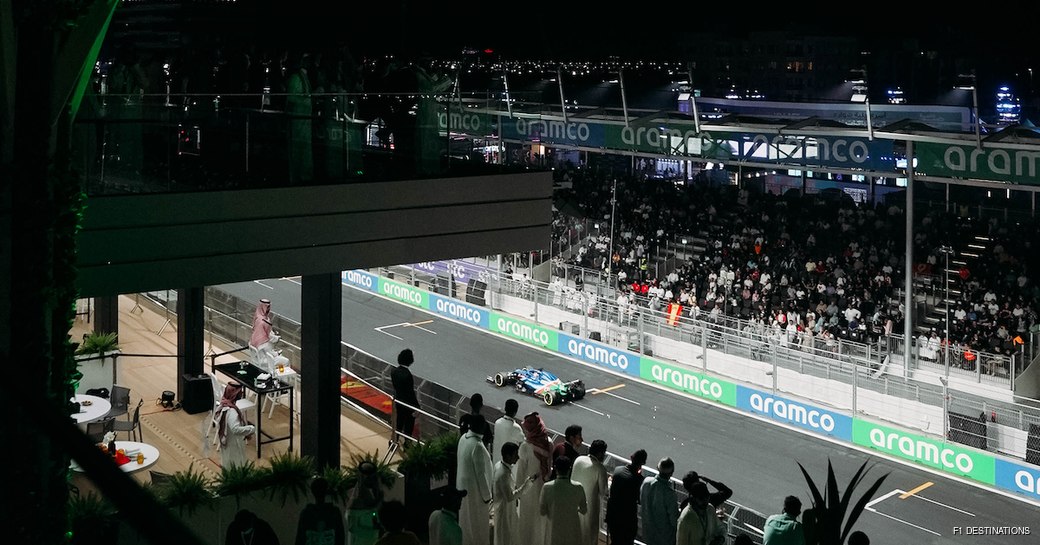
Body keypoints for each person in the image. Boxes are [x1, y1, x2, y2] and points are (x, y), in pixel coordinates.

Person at [456, 415, 493, 545]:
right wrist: (487, 496)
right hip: (476, 494)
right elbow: (481, 474)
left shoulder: (463, 439)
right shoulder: (478, 446)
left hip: (462, 488)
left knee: (465, 522)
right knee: (477, 526)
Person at [516, 412, 552, 545]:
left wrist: (518, 490)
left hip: (528, 488)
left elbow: (520, 471)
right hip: (544, 486)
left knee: (527, 520)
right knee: (541, 519)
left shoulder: (526, 447)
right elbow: (549, 466)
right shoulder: (549, 442)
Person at [493, 442, 535, 545]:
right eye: (515, 454)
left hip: (505, 508)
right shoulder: (503, 474)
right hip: (505, 511)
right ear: (508, 456)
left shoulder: (500, 466)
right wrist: (527, 484)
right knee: (506, 536)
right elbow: (510, 497)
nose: (518, 457)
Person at [540, 456, 587, 545]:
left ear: (555, 469)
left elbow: (542, 511)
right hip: (573, 530)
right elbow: (584, 510)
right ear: (570, 469)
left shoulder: (547, 487)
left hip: (553, 529)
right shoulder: (578, 487)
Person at [605, 449, 647, 545]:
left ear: (631, 458)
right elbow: (640, 500)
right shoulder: (639, 480)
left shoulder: (617, 470)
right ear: (643, 463)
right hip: (628, 519)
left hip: (613, 515)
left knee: (614, 541)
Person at [570, 440, 608, 545]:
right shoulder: (600, 468)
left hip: (574, 503)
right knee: (589, 535)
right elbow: (604, 492)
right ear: (600, 453)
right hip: (590, 508)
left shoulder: (579, 459)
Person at [640, 458, 678, 545]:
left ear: (658, 468)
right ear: (671, 472)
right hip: (665, 539)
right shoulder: (669, 494)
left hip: (647, 535)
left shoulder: (646, 482)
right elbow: (674, 520)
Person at [296, 477, 344, 545]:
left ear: (312, 492)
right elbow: (340, 538)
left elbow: (300, 539)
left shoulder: (306, 513)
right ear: (326, 491)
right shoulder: (334, 513)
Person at [217, 382, 255, 468]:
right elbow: (235, 429)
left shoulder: (223, 405)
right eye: (239, 392)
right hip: (233, 442)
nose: (241, 393)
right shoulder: (232, 412)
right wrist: (251, 429)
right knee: (236, 465)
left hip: (226, 439)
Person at [346, 461, 384, 545]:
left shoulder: (375, 495)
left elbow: (374, 512)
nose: (370, 480)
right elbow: (353, 527)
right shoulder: (356, 500)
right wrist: (374, 532)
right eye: (367, 477)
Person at [249, 298, 289, 372]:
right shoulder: (264, 343)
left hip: (258, 360)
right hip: (265, 362)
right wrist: (277, 353)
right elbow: (269, 354)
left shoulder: (254, 337)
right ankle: (281, 379)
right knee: (285, 361)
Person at [390, 348, 419, 440]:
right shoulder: (407, 375)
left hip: (398, 401)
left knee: (399, 422)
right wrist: (417, 406)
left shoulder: (394, 371)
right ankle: (407, 443)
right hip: (408, 404)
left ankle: (395, 440)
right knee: (408, 425)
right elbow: (410, 392)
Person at [493, 399, 525, 463]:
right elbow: (523, 444)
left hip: (496, 461)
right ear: (515, 411)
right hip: (508, 463)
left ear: (505, 408)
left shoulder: (497, 422)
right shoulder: (517, 428)